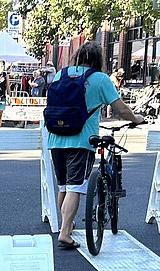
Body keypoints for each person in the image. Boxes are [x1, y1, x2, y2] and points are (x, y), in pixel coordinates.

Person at [48, 41, 145, 250]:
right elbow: (121, 109)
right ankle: (65, 233)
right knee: (75, 186)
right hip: (82, 140)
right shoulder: (100, 79)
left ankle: (67, 224)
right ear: (98, 59)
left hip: (56, 138)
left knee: (63, 185)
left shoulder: (61, 74)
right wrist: (136, 118)